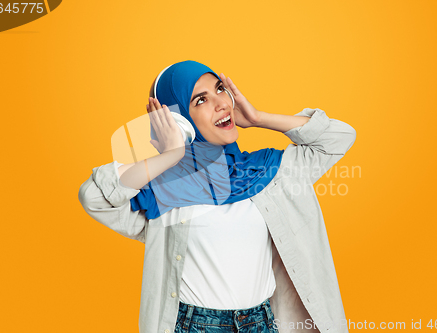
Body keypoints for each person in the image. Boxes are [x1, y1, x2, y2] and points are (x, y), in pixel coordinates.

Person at [78, 60, 357, 333]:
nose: (222, 103)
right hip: (191, 326)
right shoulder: (160, 192)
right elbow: (94, 196)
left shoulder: (270, 172)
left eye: (220, 89)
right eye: (200, 100)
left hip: (260, 323)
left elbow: (339, 137)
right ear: (177, 121)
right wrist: (171, 155)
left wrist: (259, 118)